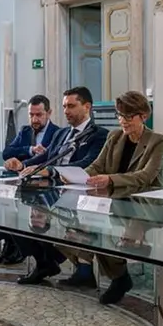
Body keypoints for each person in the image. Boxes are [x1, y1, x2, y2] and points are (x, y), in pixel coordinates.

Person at [57, 91, 163, 304]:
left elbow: (146, 176)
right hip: (112, 200)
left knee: (101, 231)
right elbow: (97, 166)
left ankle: (118, 277)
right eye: (120, 116)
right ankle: (92, 269)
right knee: (72, 226)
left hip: (145, 205)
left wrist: (110, 179)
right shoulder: (114, 136)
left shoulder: (157, 140)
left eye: (128, 116)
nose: (123, 121)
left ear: (143, 116)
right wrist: (77, 176)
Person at [13, 87, 109, 285]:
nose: (66, 111)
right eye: (64, 106)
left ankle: (71, 268)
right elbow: (46, 157)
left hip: (79, 192)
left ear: (87, 107)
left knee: (47, 218)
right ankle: (44, 262)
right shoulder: (63, 133)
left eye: (72, 106)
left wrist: (52, 171)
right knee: (15, 221)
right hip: (50, 190)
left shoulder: (100, 134)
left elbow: (89, 163)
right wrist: (24, 165)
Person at [0, 95, 59, 265]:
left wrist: (21, 162)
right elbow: (7, 152)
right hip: (21, 182)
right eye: (31, 115)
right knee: (0, 205)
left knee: (22, 213)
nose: (34, 119)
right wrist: (29, 149)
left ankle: (19, 249)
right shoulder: (25, 131)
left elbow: (48, 158)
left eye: (39, 115)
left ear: (49, 113)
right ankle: (10, 243)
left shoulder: (57, 133)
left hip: (43, 186)